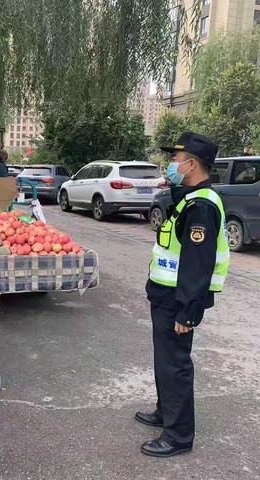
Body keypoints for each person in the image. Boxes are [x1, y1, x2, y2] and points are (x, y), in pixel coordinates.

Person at [137, 132, 229, 457]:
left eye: (176, 158)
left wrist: (188, 312)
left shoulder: (202, 205)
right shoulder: (190, 197)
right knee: (164, 360)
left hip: (179, 300)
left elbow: (197, 264)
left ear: (191, 164)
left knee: (175, 364)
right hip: (165, 295)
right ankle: (165, 412)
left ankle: (178, 437)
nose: (171, 164)